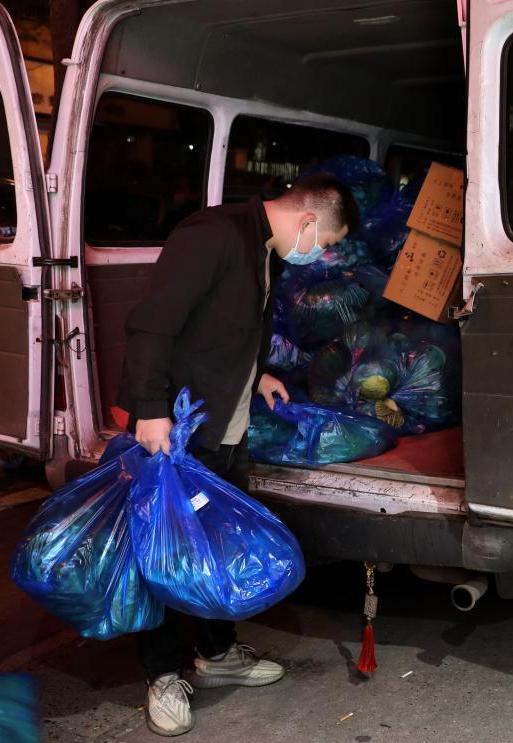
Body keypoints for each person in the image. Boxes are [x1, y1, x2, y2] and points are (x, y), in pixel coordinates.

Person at [118, 174, 358, 736]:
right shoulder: (212, 236)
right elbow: (152, 325)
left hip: (227, 428)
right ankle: (162, 676)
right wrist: (150, 409)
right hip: (178, 431)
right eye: (325, 243)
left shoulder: (263, 249)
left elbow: (226, 331)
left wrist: (259, 375)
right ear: (307, 221)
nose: (320, 253)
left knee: (217, 546)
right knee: (165, 553)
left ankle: (216, 653)